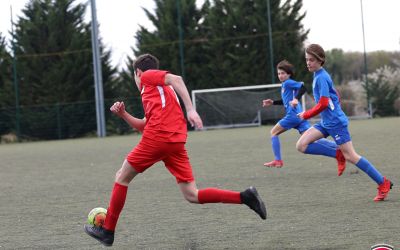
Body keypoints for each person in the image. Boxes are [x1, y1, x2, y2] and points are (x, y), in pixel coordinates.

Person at [84, 54, 267, 247]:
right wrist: (123, 114)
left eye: (134, 77)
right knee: (192, 194)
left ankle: (108, 231)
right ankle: (245, 197)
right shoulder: (161, 91)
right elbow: (145, 125)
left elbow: (177, 78)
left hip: (160, 137)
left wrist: (191, 110)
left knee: (121, 177)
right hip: (175, 142)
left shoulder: (147, 77)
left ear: (138, 72)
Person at [296, 44, 393, 201]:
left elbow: (323, 104)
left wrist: (306, 115)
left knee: (352, 156)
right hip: (327, 122)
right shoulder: (318, 76)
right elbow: (335, 95)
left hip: (336, 124)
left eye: (311, 60)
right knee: (301, 145)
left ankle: (383, 183)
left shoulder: (321, 77)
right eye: (307, 60)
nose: (308, 63)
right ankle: (337, 152)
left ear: (321, 60)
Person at [262, 60, 346, 174]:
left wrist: (296, 98)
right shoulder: (285, 85)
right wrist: (273, 102)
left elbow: (302, 87)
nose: (280, 75)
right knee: (313, 139)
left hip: (292, 116)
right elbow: (286, 101)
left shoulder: (287, 83)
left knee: (273, 132)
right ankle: (339, 148)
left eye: (283, 73)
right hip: (299, 117)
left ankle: (278, 160)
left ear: (289, 74)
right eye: (279, 73)